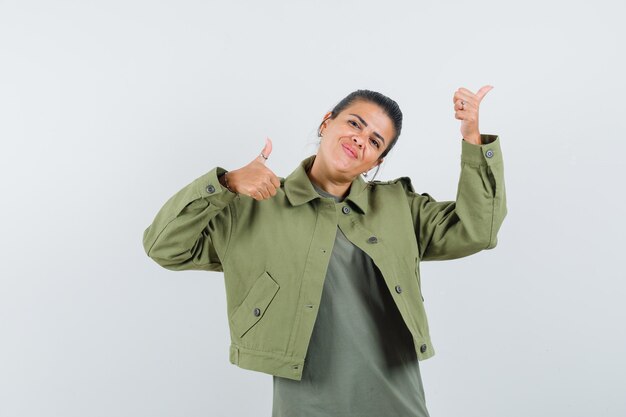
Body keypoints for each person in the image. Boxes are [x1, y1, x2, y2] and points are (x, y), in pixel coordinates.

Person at [142, 88, 507, 416]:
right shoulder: (254, 206)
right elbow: (164, 247)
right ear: (326, 123)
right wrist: (224, 184)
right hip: (306, 403)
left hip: (396, 401)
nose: (360, 139)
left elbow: (478, 230)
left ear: (376, 161)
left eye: (375, 141)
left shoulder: (400, 208)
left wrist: (473, 142)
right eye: (354, 123)